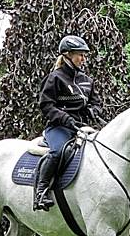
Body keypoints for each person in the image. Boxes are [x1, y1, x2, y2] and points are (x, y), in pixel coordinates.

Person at [34, 35, 104, 211]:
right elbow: (46, 105)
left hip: (82, 128)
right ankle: (41, 192)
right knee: (57, 152)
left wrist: (92, 112)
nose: (83, 59)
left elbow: (96, 103)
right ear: (67, 55)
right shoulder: (54, 78)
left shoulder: (87, 81)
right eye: (80, 55)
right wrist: (65, 118)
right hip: (59, 127)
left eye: (84, 55)